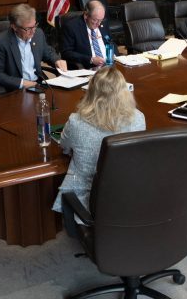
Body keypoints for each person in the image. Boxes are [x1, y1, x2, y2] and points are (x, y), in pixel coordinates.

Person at [52, 67, 145, 214]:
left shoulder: (76, 122)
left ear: (91, 92)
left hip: (87, 198)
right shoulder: (138, 118)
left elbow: (64, 145)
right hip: (128, 192)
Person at [0, 3, 67, 91]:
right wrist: (22, 83)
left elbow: (47, 52)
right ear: (14, 27)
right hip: (16, 89)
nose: (33, 31)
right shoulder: (0, 42)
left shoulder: (38, 34)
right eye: (28, 29)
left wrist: (57, 60)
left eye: (34, 26)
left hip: (38, 84)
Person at [61, 0, 113, 69]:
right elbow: (67, 53)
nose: (99, 24)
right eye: (95, 20)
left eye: (101, 20)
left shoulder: (103, 23)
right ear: (86, 15)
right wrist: (90, 59)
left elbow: (110, 41)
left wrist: (113, 55)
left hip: (109, 65)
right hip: (89, 68)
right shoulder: (71, 27)